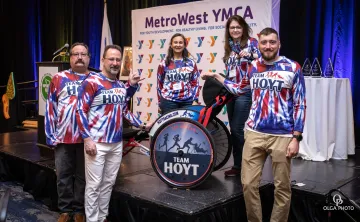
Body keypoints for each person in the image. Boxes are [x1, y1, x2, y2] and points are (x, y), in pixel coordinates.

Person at [201, 27, 306, 222]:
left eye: (272, 42)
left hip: (282, 136)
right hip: (254, 133)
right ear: (259, 44)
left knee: (282, 187)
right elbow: (239, 89)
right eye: (264, 42)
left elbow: (300, 104)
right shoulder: (253, 67)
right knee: (248, 184)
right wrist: (218, 77)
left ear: (279, 44)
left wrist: (296, 137)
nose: (268, 46)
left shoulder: (293, 67)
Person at [76, 44, 150, 222]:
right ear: (103, 60)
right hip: (97, 143)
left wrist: (141, 125)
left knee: (108, 184)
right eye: (111, 59)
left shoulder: (119, 85)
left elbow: (124, 110)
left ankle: (102, 218)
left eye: (118, 59)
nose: (115, 63)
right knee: (94, 185)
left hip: (116, 143)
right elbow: (80, 111)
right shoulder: (91, 82)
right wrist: (87, 139)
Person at [45, 42, 93, 222]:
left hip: (87, 139)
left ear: (89, 58)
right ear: (70, 58)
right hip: (63, 137)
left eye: (83, 54)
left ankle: (79, 209)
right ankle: (65, 210)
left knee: (82, 176)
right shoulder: (59, 78)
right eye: (76, 54)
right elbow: (51, 107)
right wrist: (51, 135)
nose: (80, 57)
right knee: (63, 175)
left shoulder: (95, 79)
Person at [222, 15, 261, 177]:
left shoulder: (251, 43)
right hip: (230, 91)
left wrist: (250, 55)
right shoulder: (229, 46)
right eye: (232, 28)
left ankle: (246, 165)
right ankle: (238, 165)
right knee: (234, 129)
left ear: (243, 28)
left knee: (238, 129)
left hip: (245, 92)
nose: (235, 30)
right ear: (228, 30)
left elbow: (261, 58)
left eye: (238, 27)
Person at [157, 33, 200, 114]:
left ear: (184, 45)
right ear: (171, 45)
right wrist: (160, 103)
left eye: (181, 42)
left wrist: (195, 100)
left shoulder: (191, 63)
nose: (178, 45)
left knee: (186, 126)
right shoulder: (164, 63)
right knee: (169, 126)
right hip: (168, 101)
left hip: (187, 101)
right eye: (175, 42)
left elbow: (195, 83)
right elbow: (159, 84)